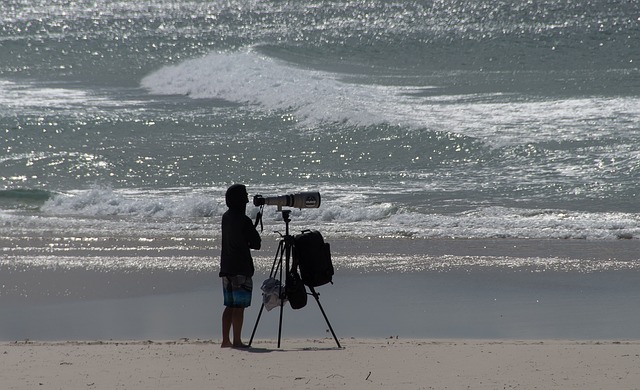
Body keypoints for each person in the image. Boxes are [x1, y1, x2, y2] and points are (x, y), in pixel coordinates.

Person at [219, 184, 261, 348]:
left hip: (227, 267)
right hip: (241, 268)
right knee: (239, 307)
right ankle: (237, 340)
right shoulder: (244, 220)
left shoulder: (226, 217)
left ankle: (225, 340)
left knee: (229, 305)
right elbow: (256, 243)